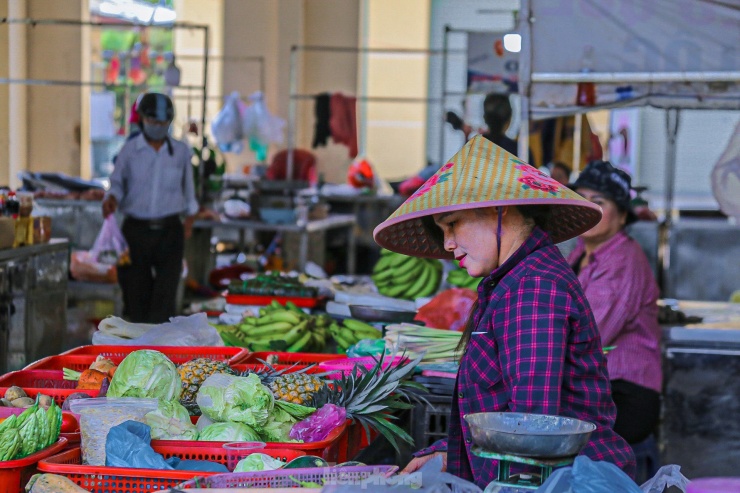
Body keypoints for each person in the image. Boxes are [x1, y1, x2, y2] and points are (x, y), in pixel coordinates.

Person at [375, 136, 635, 488]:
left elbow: (529, 432)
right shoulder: (511, 281)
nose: (448, 243)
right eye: (442, 231)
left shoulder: (533, 289)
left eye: (452, 224)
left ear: (500, 210)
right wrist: (448, 451)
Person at [567, 160, 662, 447]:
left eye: (599, 201)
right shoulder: (580, 251)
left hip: (623, 395)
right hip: (594, 388)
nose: (589, 208)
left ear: (622, 216)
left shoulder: (622, 259)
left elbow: (591, 334)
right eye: (582, 200)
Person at [102, 92, 198, 324]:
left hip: (170, 232)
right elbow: (116, 184)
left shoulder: (181, 152)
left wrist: (189, 221)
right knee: (136, 297)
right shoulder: (129, 151)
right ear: (142, 119)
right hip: (136, 232)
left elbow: (189, 192)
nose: (158, 127)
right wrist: (111, 198)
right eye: (153, 122)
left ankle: (161, 353)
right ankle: (137, 351)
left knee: (165, 301)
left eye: (163, 123)